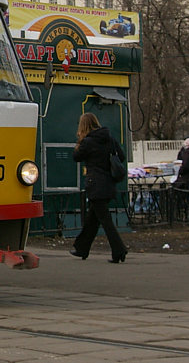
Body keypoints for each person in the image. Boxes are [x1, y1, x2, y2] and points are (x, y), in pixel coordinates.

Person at [70, 112, 128, 263]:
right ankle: (82, 248)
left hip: (95, 184)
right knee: (93, 219)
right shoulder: (109, 138)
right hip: (109, 183)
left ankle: (119, 250)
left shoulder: (88, 142)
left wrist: (80, 142)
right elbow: (121, 156)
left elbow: (76, 157)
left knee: (105, 220)